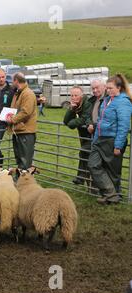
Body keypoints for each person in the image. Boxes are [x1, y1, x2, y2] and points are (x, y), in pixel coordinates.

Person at [88, 74, 132, 205]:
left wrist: (118, 146)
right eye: (107, 88)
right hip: (100, 139)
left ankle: (111, 197)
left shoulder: (124, 102)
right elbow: (100, 121)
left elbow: (124, 125)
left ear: (119, 87)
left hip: (113, 140)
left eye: (111, 88)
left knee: (112, 171)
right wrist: (95, 139)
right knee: (93, 164)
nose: (108, 90)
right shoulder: (107, 100)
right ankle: (111, 194)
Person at [5, 72, 38, 170]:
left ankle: (24, 182)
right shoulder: (19, 93)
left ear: (16, 81)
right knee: (20, 158)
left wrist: (12, 120)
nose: (11, 83)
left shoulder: (28, 94)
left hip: (26, 131)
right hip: (19, 130)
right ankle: (20, 180)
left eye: (12, 81)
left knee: (25, 160)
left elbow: (26, 112)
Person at [63, 86, 94, 186]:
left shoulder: (87, 103)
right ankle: (85, 181)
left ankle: (81, 178)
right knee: (86, 155)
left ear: (81, 95)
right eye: (71, 95)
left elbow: (84, 118)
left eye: (76, 95)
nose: (73, 97)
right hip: (83, 135)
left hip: (92, 134)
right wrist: (71, 109)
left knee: (84, 153)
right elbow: (65, 121)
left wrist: (72, 124)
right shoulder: (75, 104)